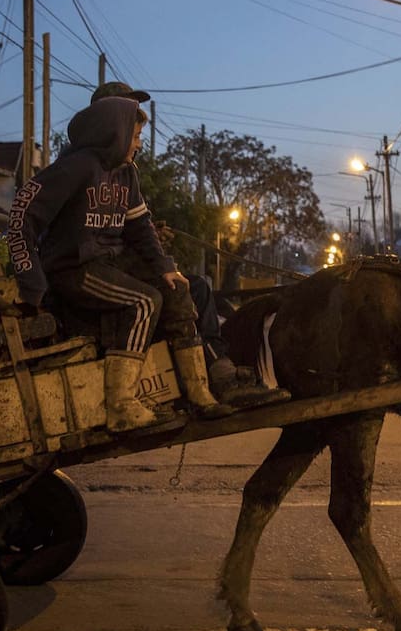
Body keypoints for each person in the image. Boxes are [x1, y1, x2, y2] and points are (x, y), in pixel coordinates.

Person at [8, 94, 231, 433]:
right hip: (74, 268)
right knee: (143, 302)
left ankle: (199, 392)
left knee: (176, 290)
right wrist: (32, 281)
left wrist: (165, 267)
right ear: (115, 132)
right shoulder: (78, 166)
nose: (138, 144)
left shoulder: (127, 174)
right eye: (136, 136)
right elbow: (22, 214)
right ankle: (121, 405)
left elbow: (141, 227)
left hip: (110, 264)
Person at [90, 81, 289, 409]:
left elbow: (137, 226)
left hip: (118, 263)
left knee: (198, 288)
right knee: (194, 289)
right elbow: (93, 234)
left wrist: (158, 252)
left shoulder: (126, 171)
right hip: (102, 272)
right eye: (128, 113)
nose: (135, 121)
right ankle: (218, 376)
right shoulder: (91, 170)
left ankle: (215, 369)